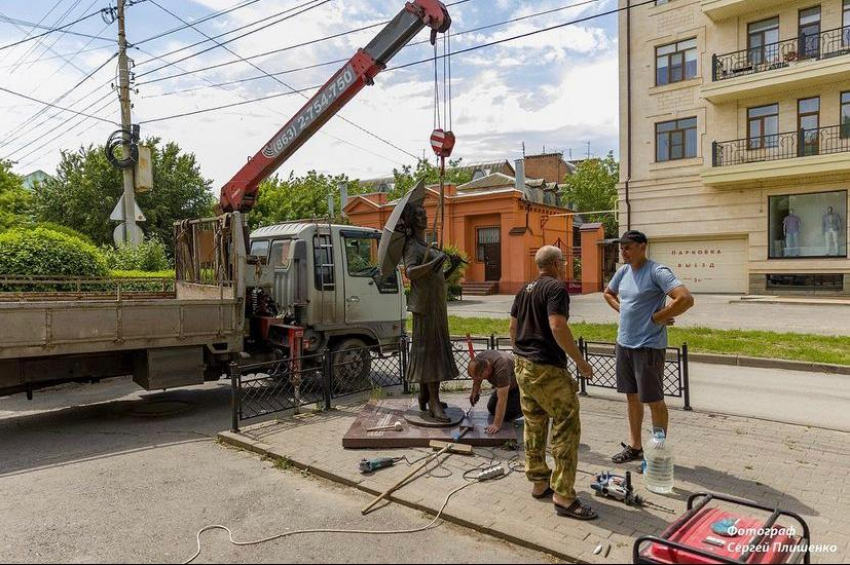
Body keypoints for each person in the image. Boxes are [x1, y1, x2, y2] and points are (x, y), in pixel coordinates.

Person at [510, 245, 597, 521]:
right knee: (566, 423)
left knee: (534, 423)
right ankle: (564, 495)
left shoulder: (524, 289)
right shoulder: (556, 289)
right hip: (547, 367)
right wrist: (581, 363)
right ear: (558, 264)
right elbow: (558, 325)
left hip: (523, 365)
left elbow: (512, 327)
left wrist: (521, 354)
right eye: (564, 262)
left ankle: (539, 482)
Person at [603, 230, 694, 465]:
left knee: (654, 401)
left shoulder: (657, 271)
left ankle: (658, 452)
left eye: (628, 247)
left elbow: (685, 298)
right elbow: (608, 293)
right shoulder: (623, 271)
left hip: (648, 346)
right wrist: (622, 309)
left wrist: (658, 317)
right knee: (632, 398)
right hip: (624, 343)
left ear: (643, 247)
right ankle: (635, 447)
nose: (623, 251)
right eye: (621, 247)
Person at [402, 203, 462, 423]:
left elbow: (439, 278)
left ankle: (424, 395)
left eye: (425, 214)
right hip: (424, 308)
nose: (425, 218)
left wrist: (452, 266)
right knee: (429, 353)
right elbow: (411, 273)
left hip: (437, 306)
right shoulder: (412, 246)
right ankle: (433, 402)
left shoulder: (428, 245)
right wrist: (436, 260)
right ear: (411, 220)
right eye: (419, 215)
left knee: (432, 350)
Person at [467, 350, 522, 435]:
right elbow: (477, 378)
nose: (476, 379)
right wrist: (475, 391)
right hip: (505, 386)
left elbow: (502, 399)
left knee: (508, 415)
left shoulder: (502, 368)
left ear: (486, 372)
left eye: (478, 377)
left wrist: (496, 425)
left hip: (519, 387)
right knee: (491, 408)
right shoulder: (480, 359)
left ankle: (531, 404)